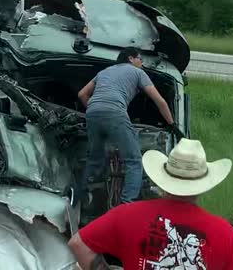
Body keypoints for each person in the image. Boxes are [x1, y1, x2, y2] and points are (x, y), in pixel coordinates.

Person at [68, 138, 233, 270]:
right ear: (203, 186)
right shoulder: (225, 233)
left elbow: (78, 244)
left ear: (162, 179)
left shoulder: (126, 215)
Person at [77, 47, 180, 206]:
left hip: (92, 113)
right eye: (140, 59)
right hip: (115, 113)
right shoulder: (138, 73)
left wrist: (95, 109)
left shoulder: (104, 72)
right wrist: (172, 125)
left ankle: (78, 197)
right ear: (131, 58)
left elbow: (82, 94)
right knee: (134, 160)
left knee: (95, 159)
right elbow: (159, 101)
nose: (142, 63)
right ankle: (127, 205)